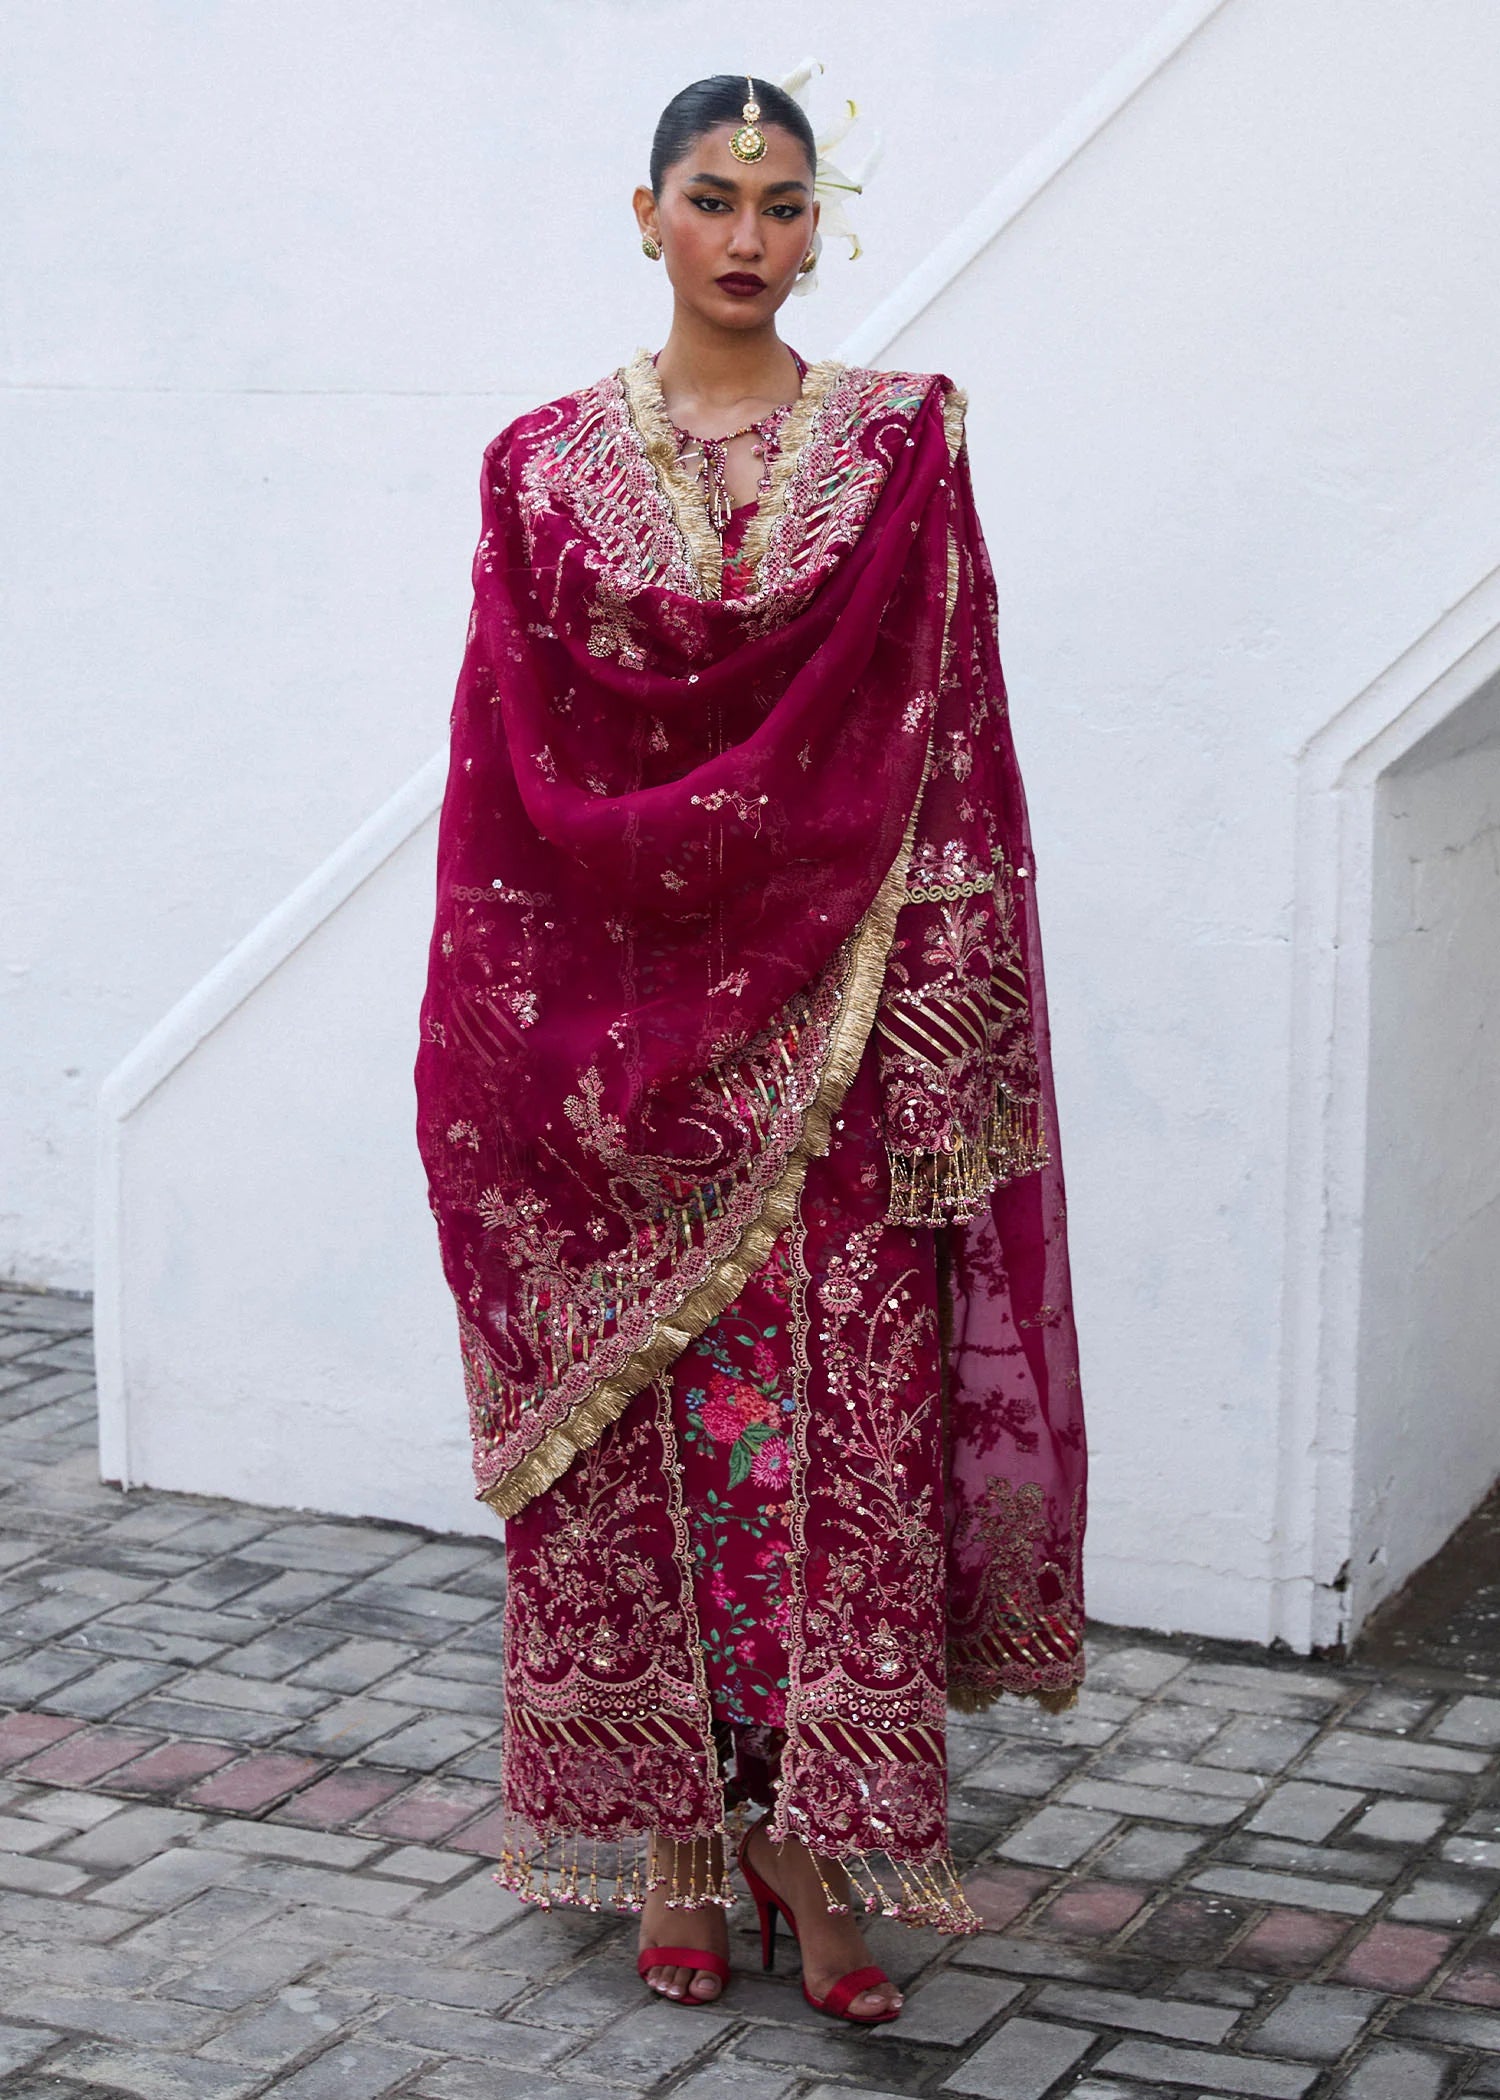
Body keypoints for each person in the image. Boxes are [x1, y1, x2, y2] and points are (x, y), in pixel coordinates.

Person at [414, 70, 1086, 2027]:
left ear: (818, 227)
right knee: (642, 1459)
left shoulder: (894, 458)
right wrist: (519, 1062)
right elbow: (512, 786)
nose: (748, 234)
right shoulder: (540, 470)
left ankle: (808, 1832)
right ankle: (681, 1839)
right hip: (610, 1083)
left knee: (814, 1452)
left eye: (785, 203)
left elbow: (955, 736)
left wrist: (945, 1061)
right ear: (645, 216)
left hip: (843, 1061)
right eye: (711, 196)